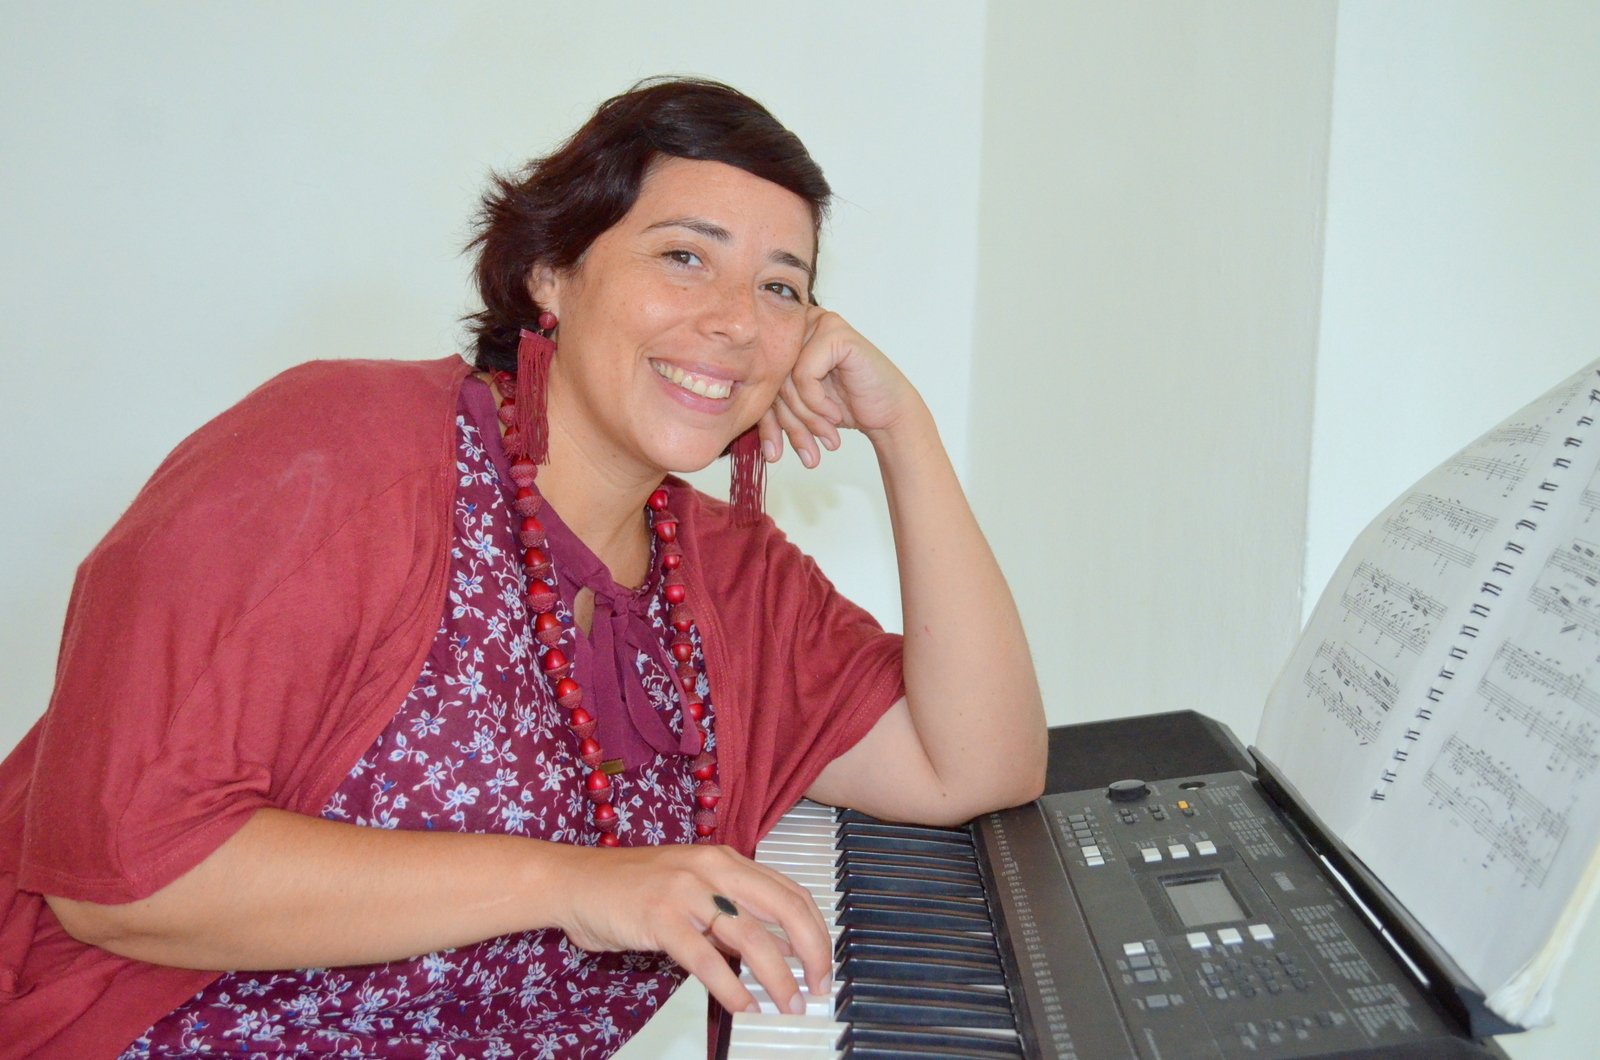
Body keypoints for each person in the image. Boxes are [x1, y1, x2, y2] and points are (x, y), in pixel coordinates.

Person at [0, 78, 1045, 1059]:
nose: (737, 320)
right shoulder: (338, 454)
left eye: (782, 287)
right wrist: (569, 884)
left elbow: (975, 764)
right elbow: (119, 875)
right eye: (685, 256)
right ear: (552, 273)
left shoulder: (730, 577)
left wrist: (903, 430)